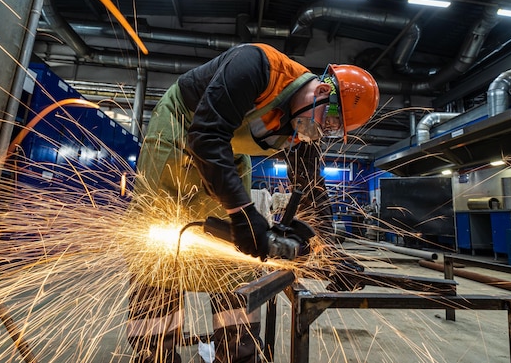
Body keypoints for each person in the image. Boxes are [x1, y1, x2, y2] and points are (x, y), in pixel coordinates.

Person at [127, 43, 379, 363]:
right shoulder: (256, 66)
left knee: (238, 257)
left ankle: (239, 355)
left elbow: (312, 190)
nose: (321, 133)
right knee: (157, 247)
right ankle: (155, 355)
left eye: (331, 132)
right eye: (327, 124)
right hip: (183, 129)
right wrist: (243, 213)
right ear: (320, 92)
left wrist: (328, 255)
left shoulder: (303, 131)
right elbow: (205, 135)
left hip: (227, 149)